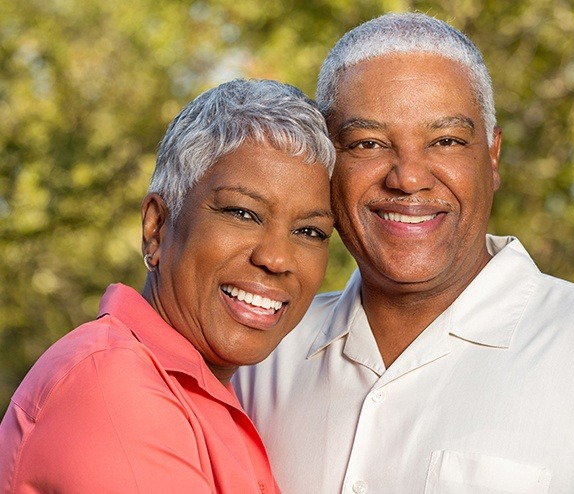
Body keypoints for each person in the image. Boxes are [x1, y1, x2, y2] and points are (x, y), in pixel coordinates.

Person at [233, 13, 574, 493]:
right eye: (368, 142)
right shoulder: (263, 356)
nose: (409, 177)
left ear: (492, 156)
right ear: (327, 162)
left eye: (446, 141)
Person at [0, 78, 335, 493]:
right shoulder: (112, 383)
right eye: (243, 213)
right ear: (156, 227)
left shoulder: (207, 395)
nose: (277, 258)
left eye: (310, 231)